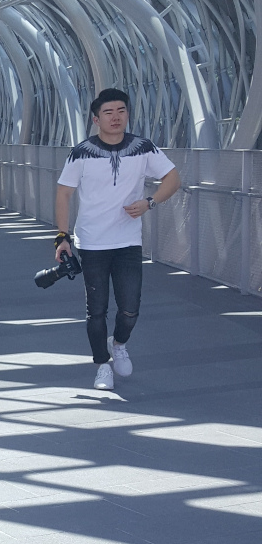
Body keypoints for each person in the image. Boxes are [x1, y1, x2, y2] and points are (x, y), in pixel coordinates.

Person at [55, 88, 180, 390]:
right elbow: (64, 193)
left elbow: (173, 178)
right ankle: (101, 366)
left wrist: (150, 202)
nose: (116, 117)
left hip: (127, 242)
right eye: (108, 112)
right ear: (96, 118)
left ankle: (119, 343)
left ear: (127, 114)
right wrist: (62, 237)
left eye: (121, 111)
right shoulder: (81, 152)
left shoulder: (143, 147)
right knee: (96, 310)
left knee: (130, 307)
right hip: (93, 243)